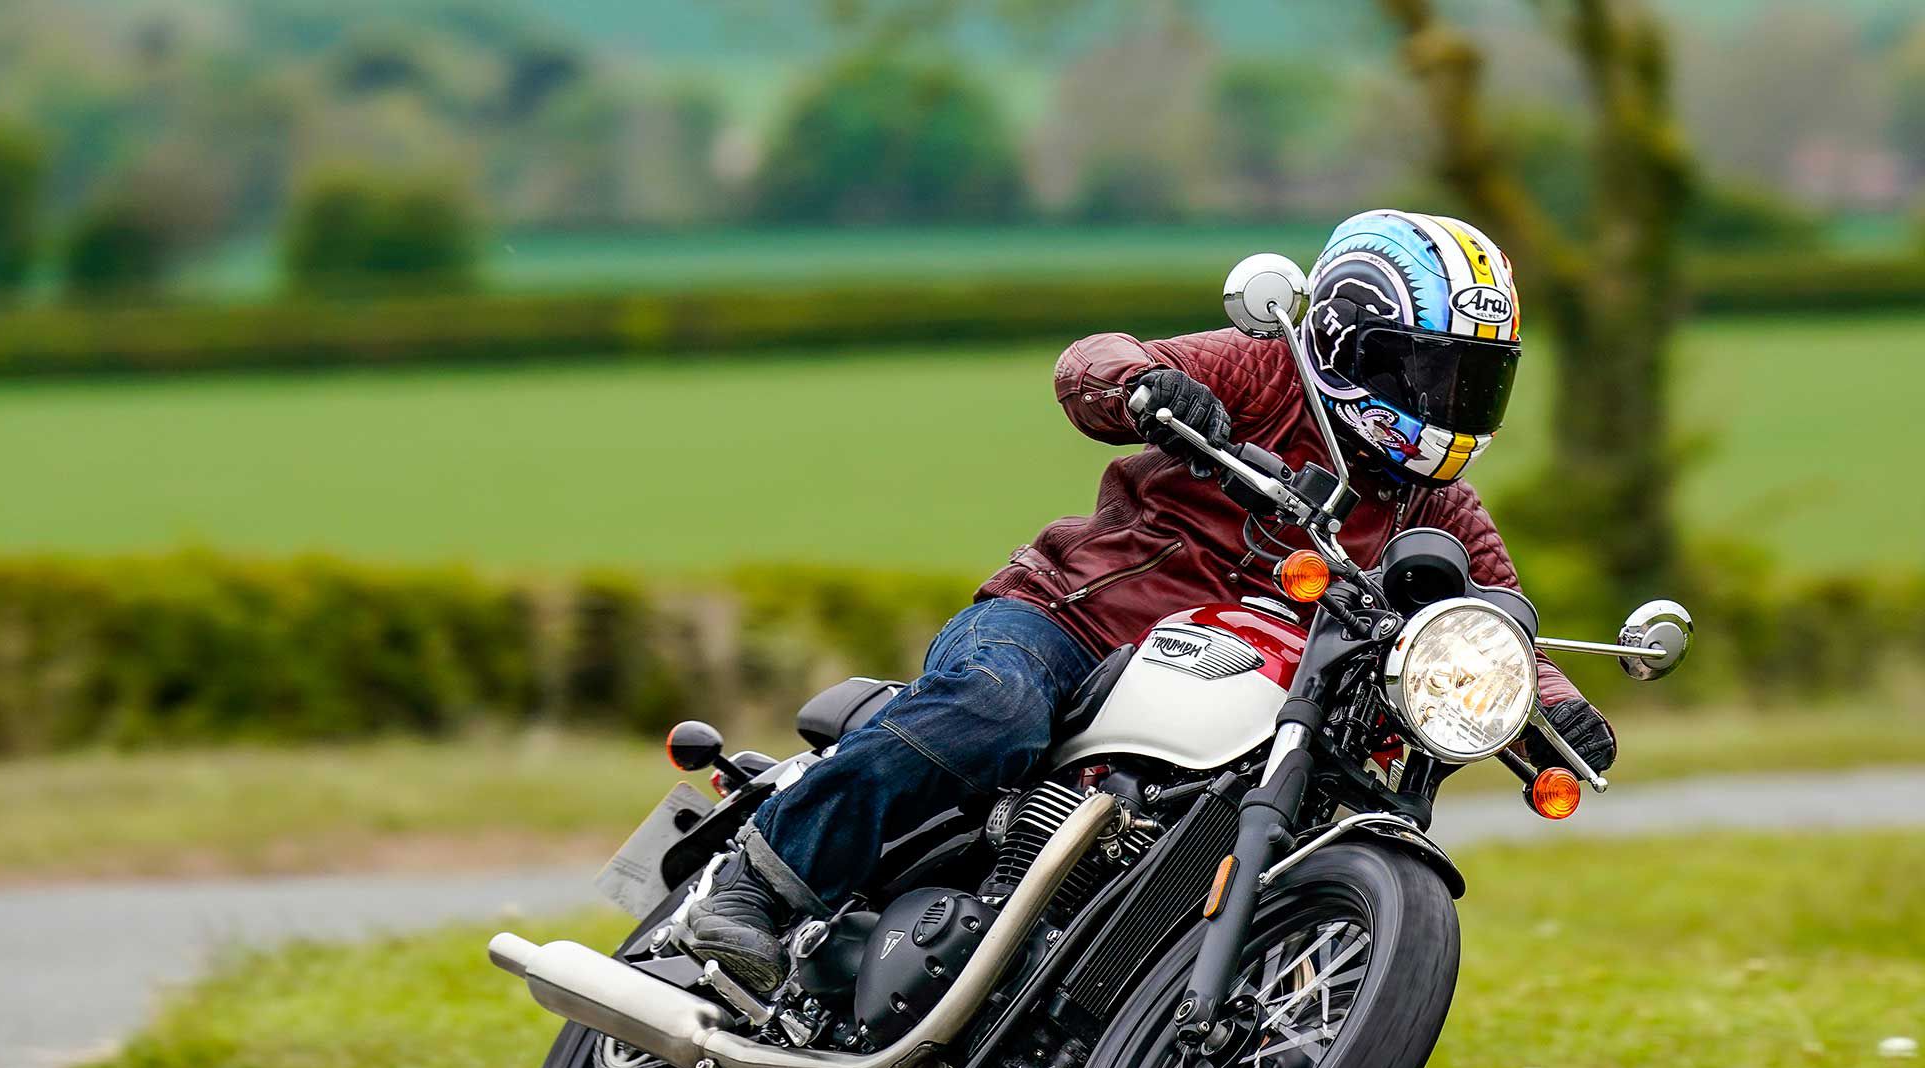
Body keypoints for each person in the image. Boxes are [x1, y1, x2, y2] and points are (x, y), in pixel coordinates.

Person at [689, 208, 1616, 992]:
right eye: (1426, 371)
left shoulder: (1438, 505)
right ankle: (758, 885)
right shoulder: (1265, 372)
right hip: (1072, 623)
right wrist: (1143, 386)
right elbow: (1090, 362)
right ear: (1344, 342)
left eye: (1471, 380)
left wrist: (1556, 709)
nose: (1448, 401)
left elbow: (1490, 621)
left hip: (1245, 700)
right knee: (994, 707)